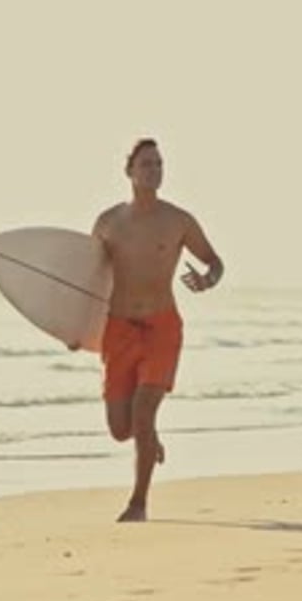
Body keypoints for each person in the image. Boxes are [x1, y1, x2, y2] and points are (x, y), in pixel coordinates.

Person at [91, 138, 224, 522]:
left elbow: (215, 261)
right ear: (129, 171)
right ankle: (150, 442)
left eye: (160, 164)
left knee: (144, 413)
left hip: (162, 327)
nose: (155, 170)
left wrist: (208, 279)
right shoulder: (107, 223)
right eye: (147, 164)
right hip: (118, 330)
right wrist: (73, 328)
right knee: (122, 428)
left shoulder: (178, 220)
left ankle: (138, 504)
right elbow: (89, 283)